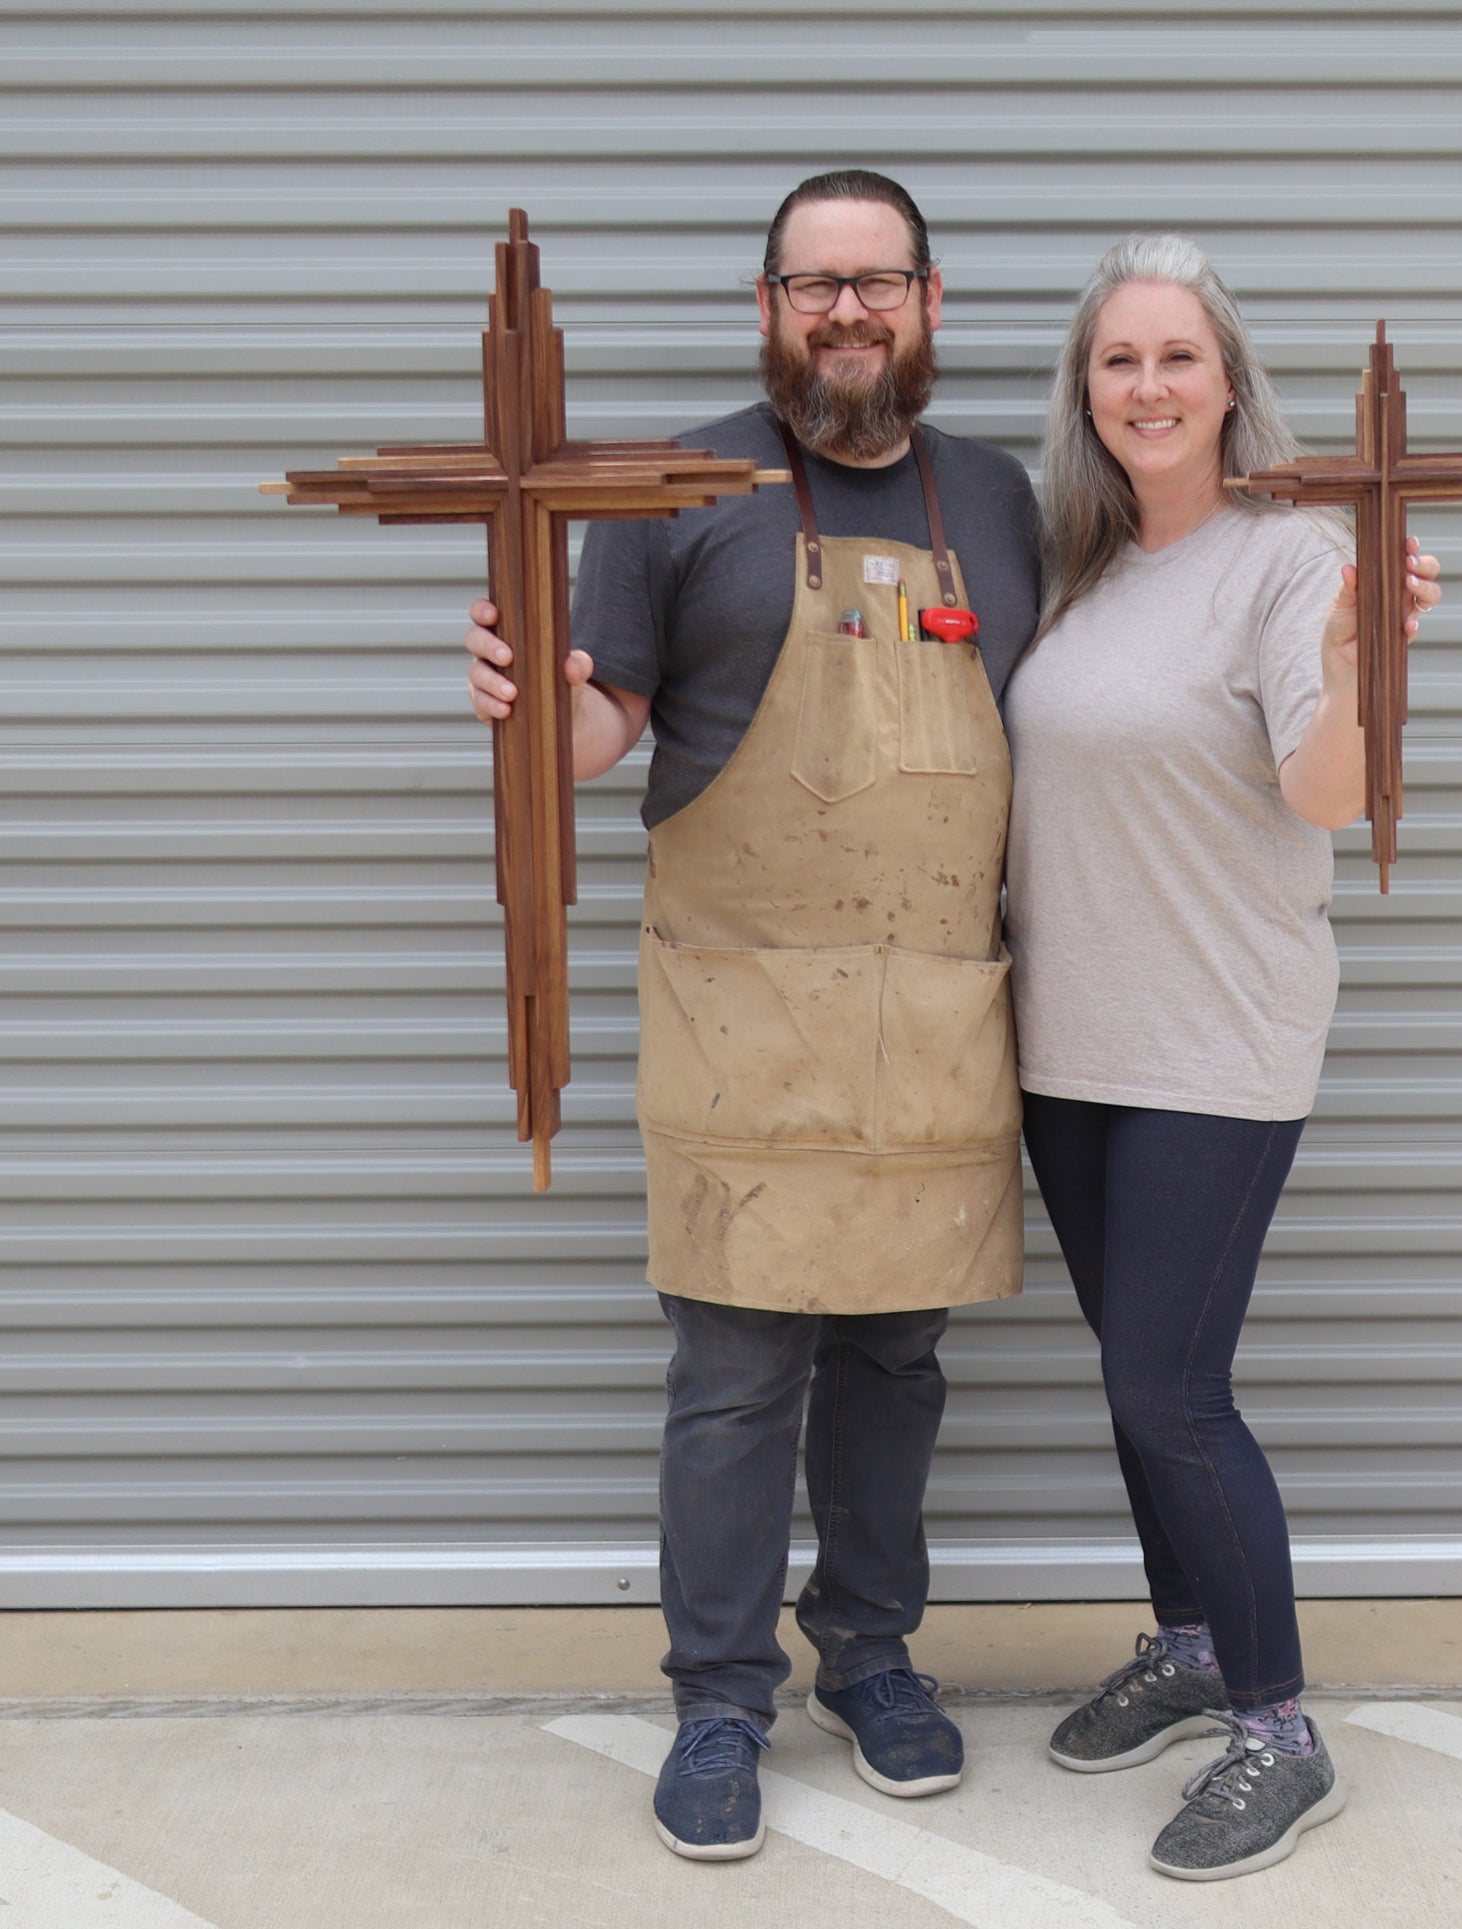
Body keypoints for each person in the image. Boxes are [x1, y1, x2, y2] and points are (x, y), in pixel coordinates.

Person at [466, 170, 1040, 1862]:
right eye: (812, 284)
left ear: (930, 303)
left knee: (898, 1360)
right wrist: (518, 699)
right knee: (729, 1380)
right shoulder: (671, 496)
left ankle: (871, 1656)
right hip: (742, 1020)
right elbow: (590, 744)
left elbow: (1084, 714)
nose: (845, 312)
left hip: (933, 1015)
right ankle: (718, 1694)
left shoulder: (1004, 502)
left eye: (876, 282)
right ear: (766, 304)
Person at [1001, 233, 1443, 1882]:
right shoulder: (1081, 561)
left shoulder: (1293, 555)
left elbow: (1325, 793)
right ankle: (1188, 1640)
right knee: (1134, 1380)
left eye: (1177, 357)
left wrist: (1349, 669)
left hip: (1214, 1035)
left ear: (1228, 380)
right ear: (1086, 392)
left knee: (1166, 1388)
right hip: (1072, 1040)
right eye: (1118, 361)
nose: (1148, 387)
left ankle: (1277, 1724)